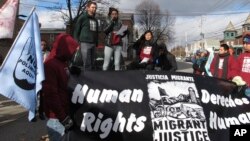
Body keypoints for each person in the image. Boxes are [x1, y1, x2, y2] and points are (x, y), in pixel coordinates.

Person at [42, 33, 79, 141]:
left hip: (62, 116)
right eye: (71, 50)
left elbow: (63, 82)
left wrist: (73, 72)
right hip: (57, 120)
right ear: (65, 49)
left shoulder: (62, 63)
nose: (73, 54)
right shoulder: (50, 65)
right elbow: (51, 95)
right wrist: (63, 118)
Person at [73, 1, 98, 70]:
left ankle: (92, 79)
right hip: (85, 43)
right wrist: (76, 43)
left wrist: (96, 43)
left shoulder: (95, 20)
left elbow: (96, 32)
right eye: (92, 7)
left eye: (95, 8)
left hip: (93, 44)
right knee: (87, 64)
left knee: (92, 64)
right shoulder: (82, 17)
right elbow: (76, 31)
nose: (94, 9)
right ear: (88, 8)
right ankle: (87, 80)